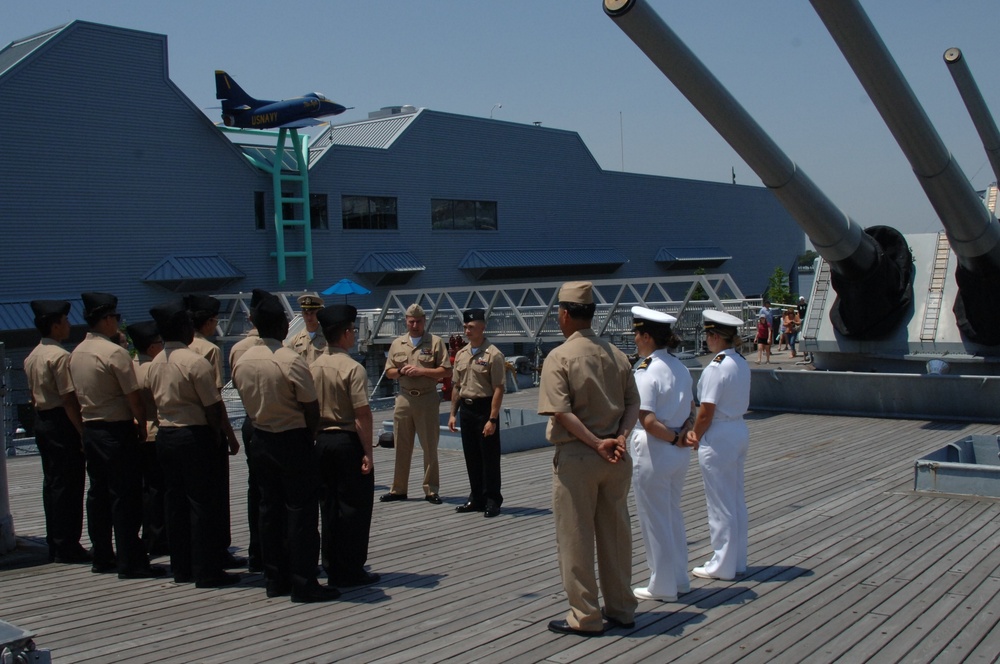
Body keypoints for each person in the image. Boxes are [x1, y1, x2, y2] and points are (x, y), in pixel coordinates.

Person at [538, 281, 640, 636]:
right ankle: (622, 608)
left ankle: (585, 615)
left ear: (565, 314)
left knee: (576, 537)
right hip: (617, 456)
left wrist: (597, 443)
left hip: (579, 456)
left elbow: (561, 412)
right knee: (616, 534)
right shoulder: (617, 354)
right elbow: (633, 403)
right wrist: (620, 437)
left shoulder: (559, 357)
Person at [232, 294, 339, 603]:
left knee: (269, 511)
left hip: (260, 436)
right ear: (281, 326)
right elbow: (310, 406)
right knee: (301, 512)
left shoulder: (242, 360)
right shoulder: (290, 360)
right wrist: (309, 435)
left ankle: (274, 578)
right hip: (292, 438)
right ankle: (304, 582)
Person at [69, 292, 165, 579]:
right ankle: (130, 560)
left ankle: (102, 555)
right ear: (107, 319)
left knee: (98, 495)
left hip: (91, 428)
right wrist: (141, 425)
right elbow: (133, 397)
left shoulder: (76, 353)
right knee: (125, 497)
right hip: (116, 429)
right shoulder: (114, 353)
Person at [146, 300, 240, 588]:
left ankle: (181, 567)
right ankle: (207, 569)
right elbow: (212, 406)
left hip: (166, 435)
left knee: (174, 503)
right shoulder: (195, 362)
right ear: (182, 328)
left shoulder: (155, 363)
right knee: (202, 504)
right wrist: (220, 435)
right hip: (194, 435)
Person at [629, 306, 694, 602]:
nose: (634, 339)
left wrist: (673, 438)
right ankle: (680, 578)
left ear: (646, 337)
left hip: (654, 450)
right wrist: (682, 436)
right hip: (678, 452)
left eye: (637, 334)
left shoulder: (646, 370)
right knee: (672, 513)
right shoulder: (680, 367)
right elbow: (691, 410)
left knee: (654, 518)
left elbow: (647, 420)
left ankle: (662, 585)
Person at [311, 304, 379, 588]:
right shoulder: (353, 369)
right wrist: (368, 452)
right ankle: (350, 568)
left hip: (321, 440)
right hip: (346, 440)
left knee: (327, 506)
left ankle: (330, 564)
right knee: (354, 507)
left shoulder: (312, 366)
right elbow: (361, 414)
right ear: (346, 334)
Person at [685, 310, 751, 582]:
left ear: (715, 336)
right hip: (738, 429)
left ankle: (721, 564)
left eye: (708, 335)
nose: (706, 340)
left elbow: (706, 411)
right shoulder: (740, 362)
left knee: (719, 503)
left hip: (719, 434)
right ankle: (737, 560)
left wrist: (695, 436)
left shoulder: (716, 367)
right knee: (735, 499)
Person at [24, 300, 89, 564]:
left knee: (52, 483)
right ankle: (68, 545)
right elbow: (68, 398)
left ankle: (55, 541)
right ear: (55, 326)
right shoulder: (60, 356)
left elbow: (32, 395)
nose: (69, 325)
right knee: (70, 484)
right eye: (65, 321)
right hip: (62, 421)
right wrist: (81, 431)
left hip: (42, 419)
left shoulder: (32, 355)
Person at [185, 294, 244, 570]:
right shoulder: (208, 350)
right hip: (205, 428)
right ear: (209, 322)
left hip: (176, 430)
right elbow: (216, 398)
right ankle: (218, 550)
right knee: (214, 495)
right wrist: (228, 435)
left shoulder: (176, 347)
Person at [380, 303, 451, 505]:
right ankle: (398, 489)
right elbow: (389, 372)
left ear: (424, 321)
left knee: (430, 446)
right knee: (401, 445)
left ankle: (431, 489)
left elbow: (446, 370)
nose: (414, 325)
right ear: (406, 321)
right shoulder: (397, 344)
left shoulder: (435, 342)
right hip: (404, 398)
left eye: (418, 321)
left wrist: (422, 371)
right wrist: (401, 371)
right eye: (411, 321)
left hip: (427, 397)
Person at [448, 308, 505, 518]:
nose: (467, 331)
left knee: (489, 457)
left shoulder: (494, 354)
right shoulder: (461, 354)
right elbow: (457, 386)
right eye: (465, 327)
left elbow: (498, 388)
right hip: (467, 409)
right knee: (471, 456)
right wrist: (452, 414)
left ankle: (492, 500)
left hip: (484, 408)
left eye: (471, 327)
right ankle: (476, 497)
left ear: (482, 327)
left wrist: (492, 419)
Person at [228, 288, 270, 574]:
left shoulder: (238, 349)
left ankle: (257, 552)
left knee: (255, 488)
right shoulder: (283, 348)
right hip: (276, 424)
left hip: (249, 420)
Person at [126, 320, 168, 557]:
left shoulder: (129, 366)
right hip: (155, 429)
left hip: (135, 431)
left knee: (145, 488)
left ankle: (149, 535)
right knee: (159, 489)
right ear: (152, 347)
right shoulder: (155, 369)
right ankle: (159, 536)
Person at [286, 293, 327, 364]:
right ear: (302, 314)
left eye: (312, 313)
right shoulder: (294, 341)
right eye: (306, 313)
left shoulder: (328, 338)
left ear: (319, 313)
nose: (309, 317)